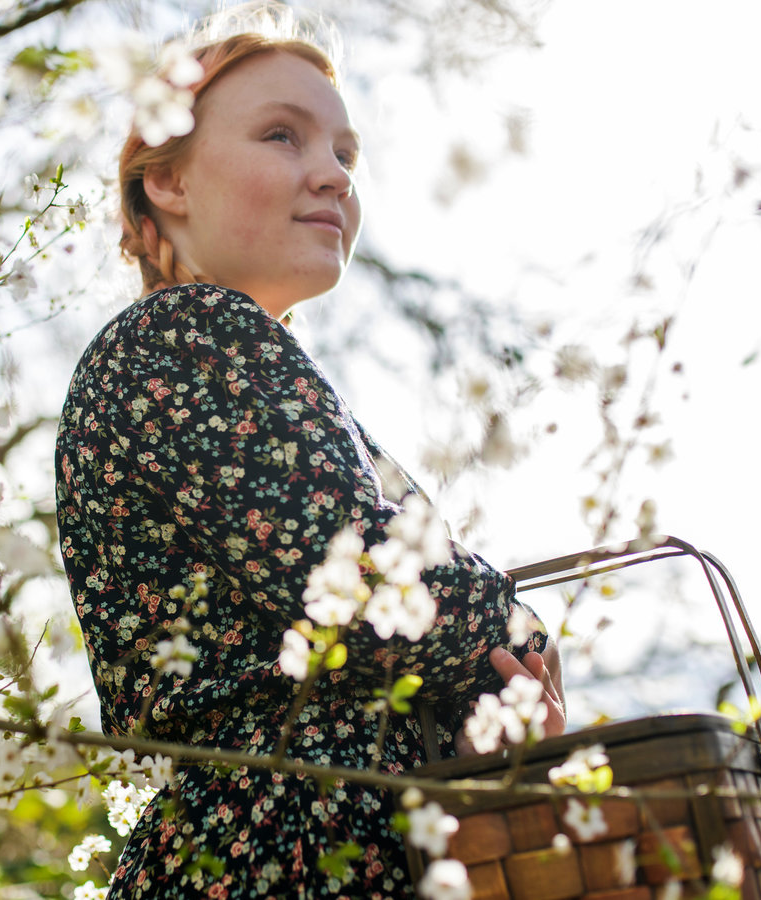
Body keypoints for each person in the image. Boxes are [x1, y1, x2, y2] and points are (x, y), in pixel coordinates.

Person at [54, 12, 564, 898]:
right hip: (275, 857)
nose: (331, 174)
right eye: (281, 135)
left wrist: (476, 702)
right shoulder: (187, 336)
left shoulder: (251, 370)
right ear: (168, 178)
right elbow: (374, 585)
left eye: (345, 154)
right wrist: (513, 642)